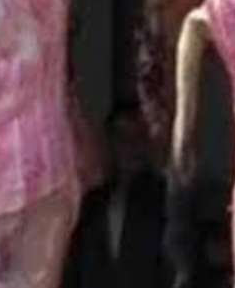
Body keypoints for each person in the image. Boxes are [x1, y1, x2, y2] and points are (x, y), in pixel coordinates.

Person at [62, 103, 172, 288]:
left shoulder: (164, 199)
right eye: (121, 137)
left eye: (137, 137)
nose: (129, 145)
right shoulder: (92, 203)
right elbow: (76, 266)